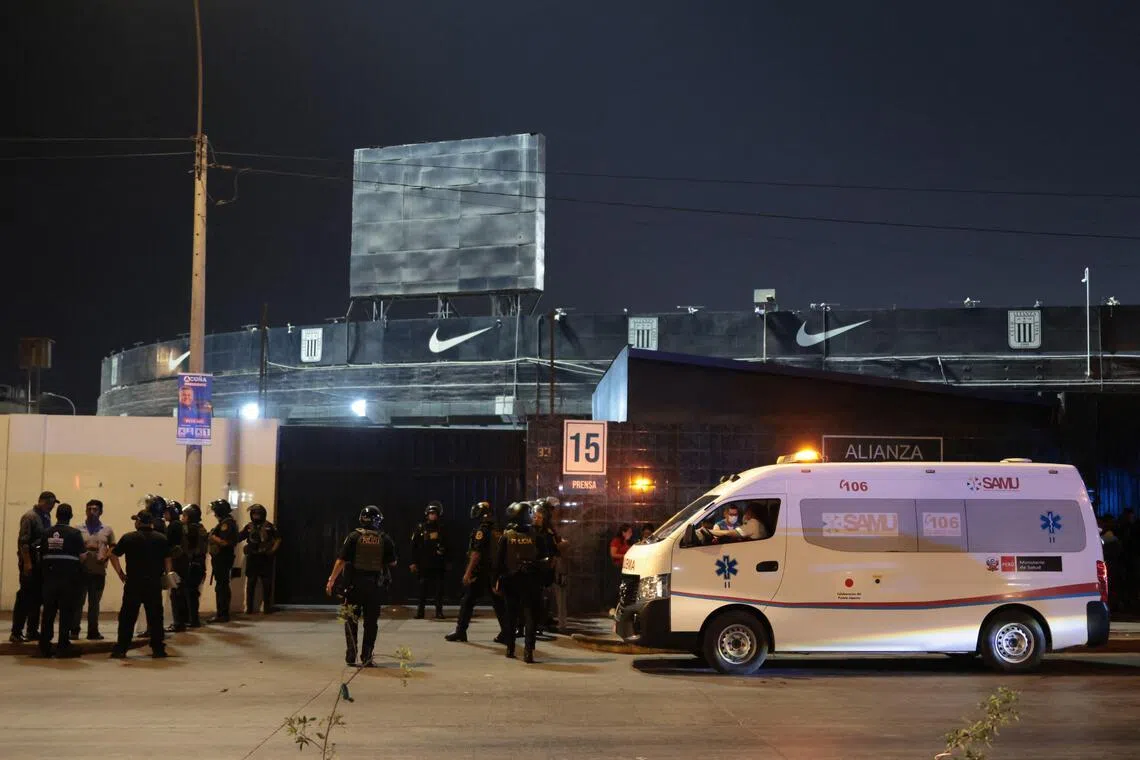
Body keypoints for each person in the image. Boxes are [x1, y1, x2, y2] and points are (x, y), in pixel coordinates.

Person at [325, 505, 397, 667]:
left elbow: (341, 561)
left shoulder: (353, 537)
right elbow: (393, 562)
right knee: (371, 622)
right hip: (374, 587)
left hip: (353, 586)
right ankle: (367, 655)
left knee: (351, 619)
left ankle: (351, 653)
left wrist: (331, 580)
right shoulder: (385, 539)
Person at [109, 511, 177, 659]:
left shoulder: (129, 538)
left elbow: (113, 555)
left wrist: (121, 573)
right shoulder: (161, 538)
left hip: (134, 582)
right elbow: (167, 559)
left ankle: (121, 648)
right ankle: (158, 649)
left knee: (127, 617)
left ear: (138, 522)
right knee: (155, 617)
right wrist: (167, 575)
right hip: (153, 583)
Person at [445, 501, 507, 644]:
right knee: (498, 602)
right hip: (494, 572)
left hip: (481, 572)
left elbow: (476, 554)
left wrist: (468, 573)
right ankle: (506, 632)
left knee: (467, 601)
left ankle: (461, 631)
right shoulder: (498, 529)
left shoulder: (482, 530)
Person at [495, 501, 546, 663]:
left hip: (511, 580)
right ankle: (528, 652)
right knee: (530, 616)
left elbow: (498, 561)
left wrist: (496, 580)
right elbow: (544, 558)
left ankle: (510, 649)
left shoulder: (506, 536)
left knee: (511, 615)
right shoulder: (536, 535)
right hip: (530, 581)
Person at [37, 503, 85, 658]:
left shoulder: (46, 533)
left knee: (48, 613)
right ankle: (63, 646)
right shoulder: (75, 534)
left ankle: (44, 646)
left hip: (49, 579)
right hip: (68, 580)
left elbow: (40, 553)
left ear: (56, 515)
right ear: (70, 516)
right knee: (66, 613)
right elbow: (83, 557)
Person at [11, 491, 57, 643]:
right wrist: (27, 563)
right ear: (42, 501)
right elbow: (24, 542)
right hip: (29, 562)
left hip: (40, 563)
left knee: (37, 598)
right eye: (50, 504)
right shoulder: (30, 517)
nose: (51, 507)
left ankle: (32, 630)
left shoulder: (45, 517)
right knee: (25, 596)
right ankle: (16, 632)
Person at [73, 499, 116, 640]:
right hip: (81, 571)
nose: (92, 512)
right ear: (86, 511)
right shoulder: (77, 529)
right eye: (89, 509)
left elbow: (113, 547)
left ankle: (93, 631)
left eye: (95, 509)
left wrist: (106, 556)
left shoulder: (107, 530)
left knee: (94, 604)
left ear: (101, 512)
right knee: (78, 602)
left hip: (98, 571)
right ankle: (74, 630)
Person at [238, 504, 281, 614]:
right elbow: (239, 537)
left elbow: (278, 539)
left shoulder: (269, 526)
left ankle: (267, 607)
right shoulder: (249, 527)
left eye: (258, 514)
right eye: (254, 514)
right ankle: (249, 608)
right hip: (252, 557)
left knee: (267, 584)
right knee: (251, 583)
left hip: (265, 558)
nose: (256, 516)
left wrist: (272, 551)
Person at [409, 501, 447, 619]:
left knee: (439, 589)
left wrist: (445, 555)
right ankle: (420, 612)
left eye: (435, 513)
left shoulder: (442, 528)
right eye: (431, 513)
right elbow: (414, 546)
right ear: (427, 514)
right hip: (424, 563)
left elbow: (447, 545)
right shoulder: (420, 528)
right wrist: (413, 562)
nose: (433, 515)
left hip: (438, 563)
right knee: (422, 589)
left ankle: (439, 611)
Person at [207, 499, 238, 623]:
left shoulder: (227, 524)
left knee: (222, 587)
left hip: (223, 559)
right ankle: (221, 613)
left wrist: (212, 537)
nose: (214, 513)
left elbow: (225, 542)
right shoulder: (225, 522)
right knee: (221, 586)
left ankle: (222, 614)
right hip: (221, 559)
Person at [178, 505, 209, 628]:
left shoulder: (189, 529)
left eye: (185, 516)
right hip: (199, 563)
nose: (182, 518)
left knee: (190, 592)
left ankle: (193, 620)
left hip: (192, 563)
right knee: (192, 592)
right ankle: (192, 618)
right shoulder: (200, 528)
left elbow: (187, 547)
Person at [164, 501, 187, 632]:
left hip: (176, 563)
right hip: (182, 562)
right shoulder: (180, 525)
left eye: (167, 512)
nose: (164, 514)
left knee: (176, 593)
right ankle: (180, 621)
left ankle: (178, 622)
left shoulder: (174, 525)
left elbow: (168, 544)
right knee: (179, 593)